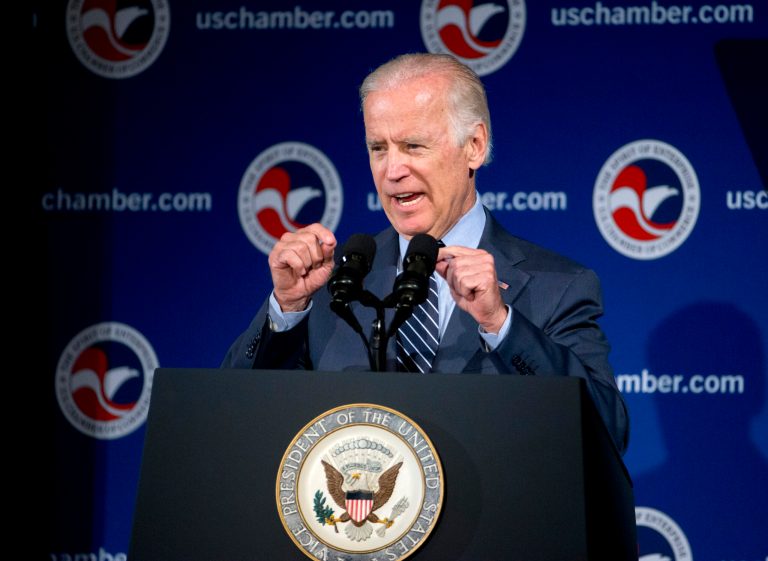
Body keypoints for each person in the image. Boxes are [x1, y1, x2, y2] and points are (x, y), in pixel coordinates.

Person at [222, 53, 629, 455]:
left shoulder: (557, 286)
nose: (392, 169)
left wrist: (499, 324)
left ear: (474, 146)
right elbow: (233, 416)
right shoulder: (335, 279)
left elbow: (607, 431)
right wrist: (288, 308)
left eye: (413, 146)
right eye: (378, 148)